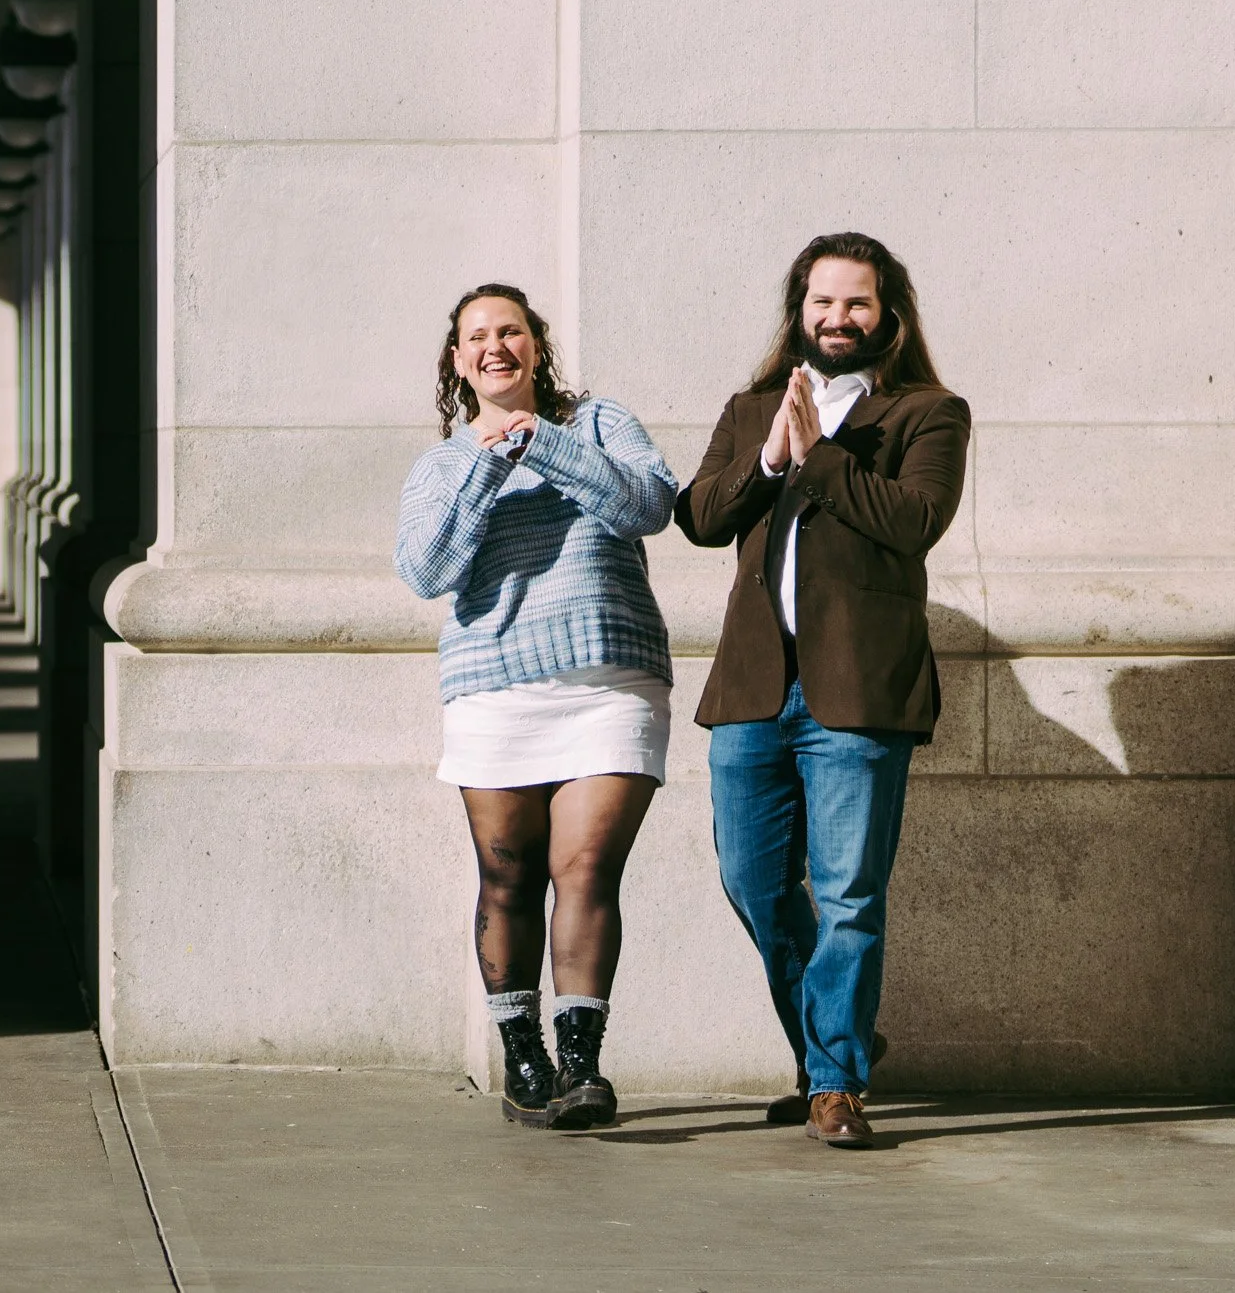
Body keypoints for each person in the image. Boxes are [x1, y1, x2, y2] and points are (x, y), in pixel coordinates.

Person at [674, 233, 971, 1149]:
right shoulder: (753, 406)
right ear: (797, 312)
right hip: (754, 692)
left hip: (859, 697)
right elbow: (698, 516)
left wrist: (819, 458)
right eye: (822, 303)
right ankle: (831, 1040)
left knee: (848, 894)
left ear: (889, 315)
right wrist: (768, 456)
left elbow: (915, 522)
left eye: (856, 303)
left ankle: (835, 1080)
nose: (837, 319)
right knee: (754, 881)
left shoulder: (927, 413)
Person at [396, 284, 677, 1130]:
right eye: (476, 335)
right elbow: (426, 570)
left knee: (585, 867)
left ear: (536, 343)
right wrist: (487, 464)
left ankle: (582, 1062)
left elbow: (649, 504)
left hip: (608, 681)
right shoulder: (443, 464)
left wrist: (542, 443)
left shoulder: (596, 423)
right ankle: (525, 1058)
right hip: (495, 686)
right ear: (457, 359)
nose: (494, 345)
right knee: (509, 875)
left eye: (509, 329)